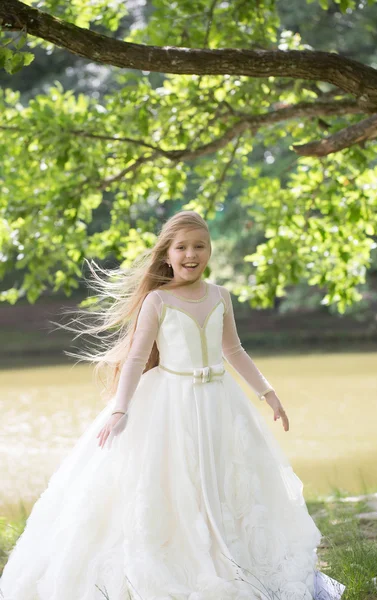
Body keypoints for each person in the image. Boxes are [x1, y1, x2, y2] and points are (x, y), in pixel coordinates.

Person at [0, 210, 346, 600]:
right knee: (175, 480)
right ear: (167, 254)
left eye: (199, 246)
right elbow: (134, 358)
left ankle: (235, 553)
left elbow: (233, 349)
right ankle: (186, 553)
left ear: (210, 251)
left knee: (225, 476)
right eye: (181, 247)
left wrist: (267, 392)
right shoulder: (158, 300)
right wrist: (120, 408)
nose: (190, 254)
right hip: (171, 404)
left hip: (219, 402)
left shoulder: (220, 296)